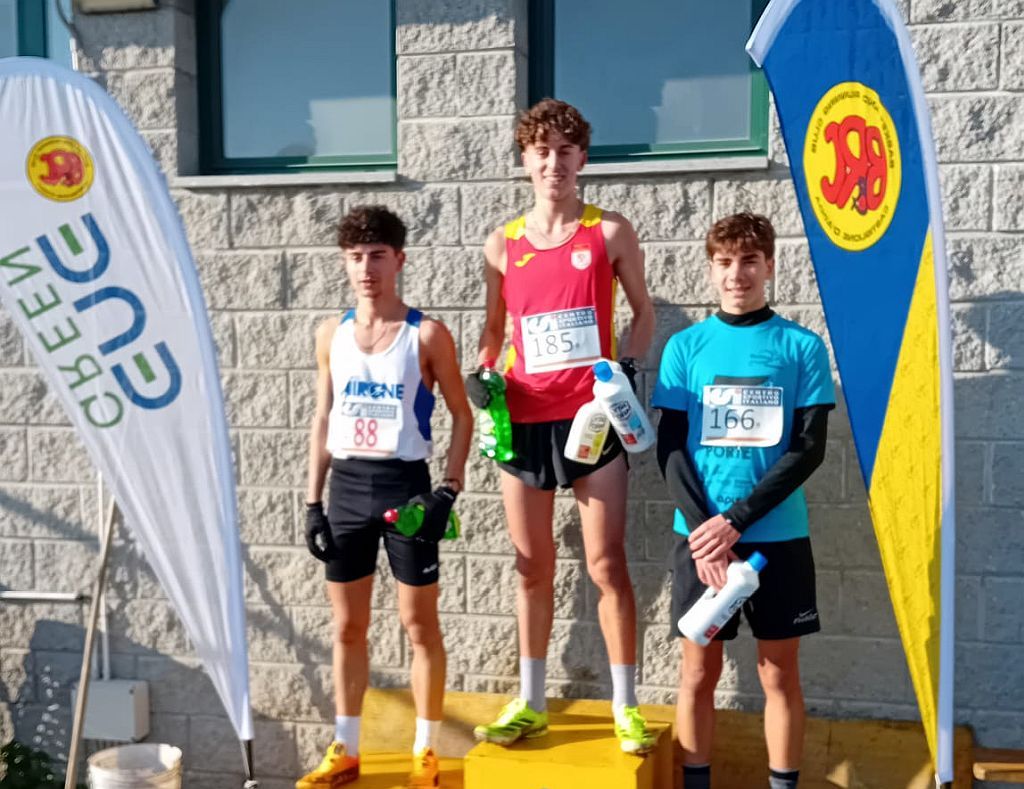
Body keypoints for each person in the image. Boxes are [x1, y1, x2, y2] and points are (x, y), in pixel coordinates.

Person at [469, 99, 657, 753]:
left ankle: (625, 706)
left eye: (565, 151)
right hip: (522, 421)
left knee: (606, 563)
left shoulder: (610, 232)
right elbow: (495, 331)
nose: (554, 163)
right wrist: (483, 375)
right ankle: (531, 701)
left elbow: (642, 312)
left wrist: (626, 371)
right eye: (542, 151)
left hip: (591, 419)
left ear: (583, 159)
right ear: (526, 160)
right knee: (531, 567)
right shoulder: (502, 243)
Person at [652, 213, 835, 789]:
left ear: (770, 266)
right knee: (697, 673)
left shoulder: (802, 347)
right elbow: (670, 448)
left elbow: (808, 449)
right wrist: (708, 534)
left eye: (749, 261)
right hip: (699, 541)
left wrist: (734, 522)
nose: (737, 274)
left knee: (778, 674)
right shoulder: (685, 347)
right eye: (725, 262)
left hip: (777, 537)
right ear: (711, 269)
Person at [297, 205, 473, 789]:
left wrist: (448, 489)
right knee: (348, 627)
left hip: (406, 490)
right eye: (355, 257)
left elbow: (462, 414)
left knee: (418, 625)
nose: (366, 269)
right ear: (344, 263)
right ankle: (346, 748)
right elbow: (323, 417)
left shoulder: (427, 334)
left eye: (377, 256)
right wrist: (312, 503)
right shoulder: (331, 334)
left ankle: (426, 750)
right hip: (346, 490)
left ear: (399, 260)